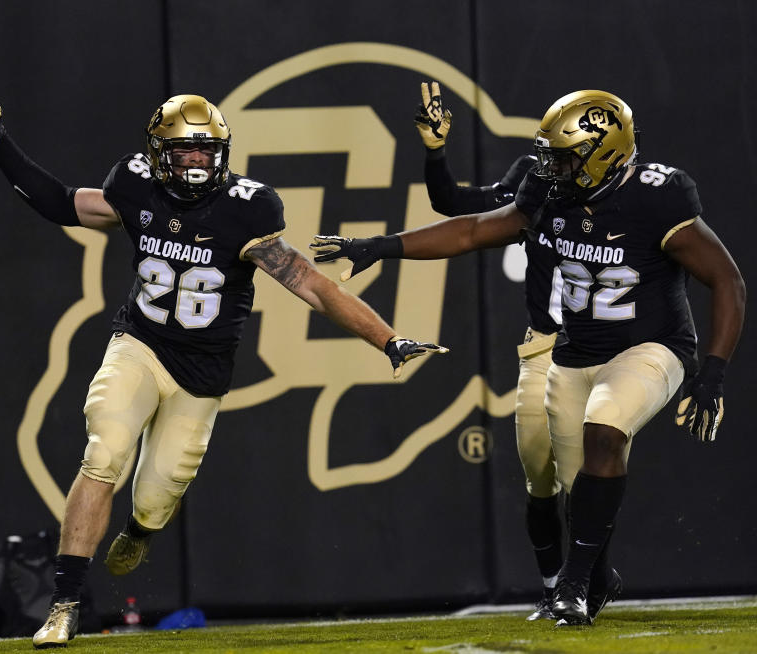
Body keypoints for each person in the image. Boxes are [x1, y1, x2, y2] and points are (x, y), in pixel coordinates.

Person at [0, 87, 445, 648]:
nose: (197, 161)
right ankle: (65, 604)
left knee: (157, 494)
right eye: (186, 151)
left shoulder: (248, 210)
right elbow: (60, 202)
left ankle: (141, 528)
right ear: (159, 153)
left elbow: (312, 287)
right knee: (105, 452)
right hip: (139, 345)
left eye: (207, 150)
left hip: (202, 376)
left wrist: (385, 339)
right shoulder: (134, 185)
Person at [311, 89, 745, 626]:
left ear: (603, 154)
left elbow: (726, 278)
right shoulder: (547, 190)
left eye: (563, 157)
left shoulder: (660, 195)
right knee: (570, 485)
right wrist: (380, 246)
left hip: (649, 346)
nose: (549, 168)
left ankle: (570, 586)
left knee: (605, 432)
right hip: (572, 350)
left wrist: (715, 370)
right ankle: (591, 577)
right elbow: (471, 227)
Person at [412, 81, 566, 621]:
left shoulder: (632, 193)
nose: (558, 162)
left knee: (592, 468)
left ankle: (585, 583)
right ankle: (557, 587)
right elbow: (457, 208)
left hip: (610, 348)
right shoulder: (535, 179)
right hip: (547, 348)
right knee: (540, 477)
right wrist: (436, 152)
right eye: (552, 151)